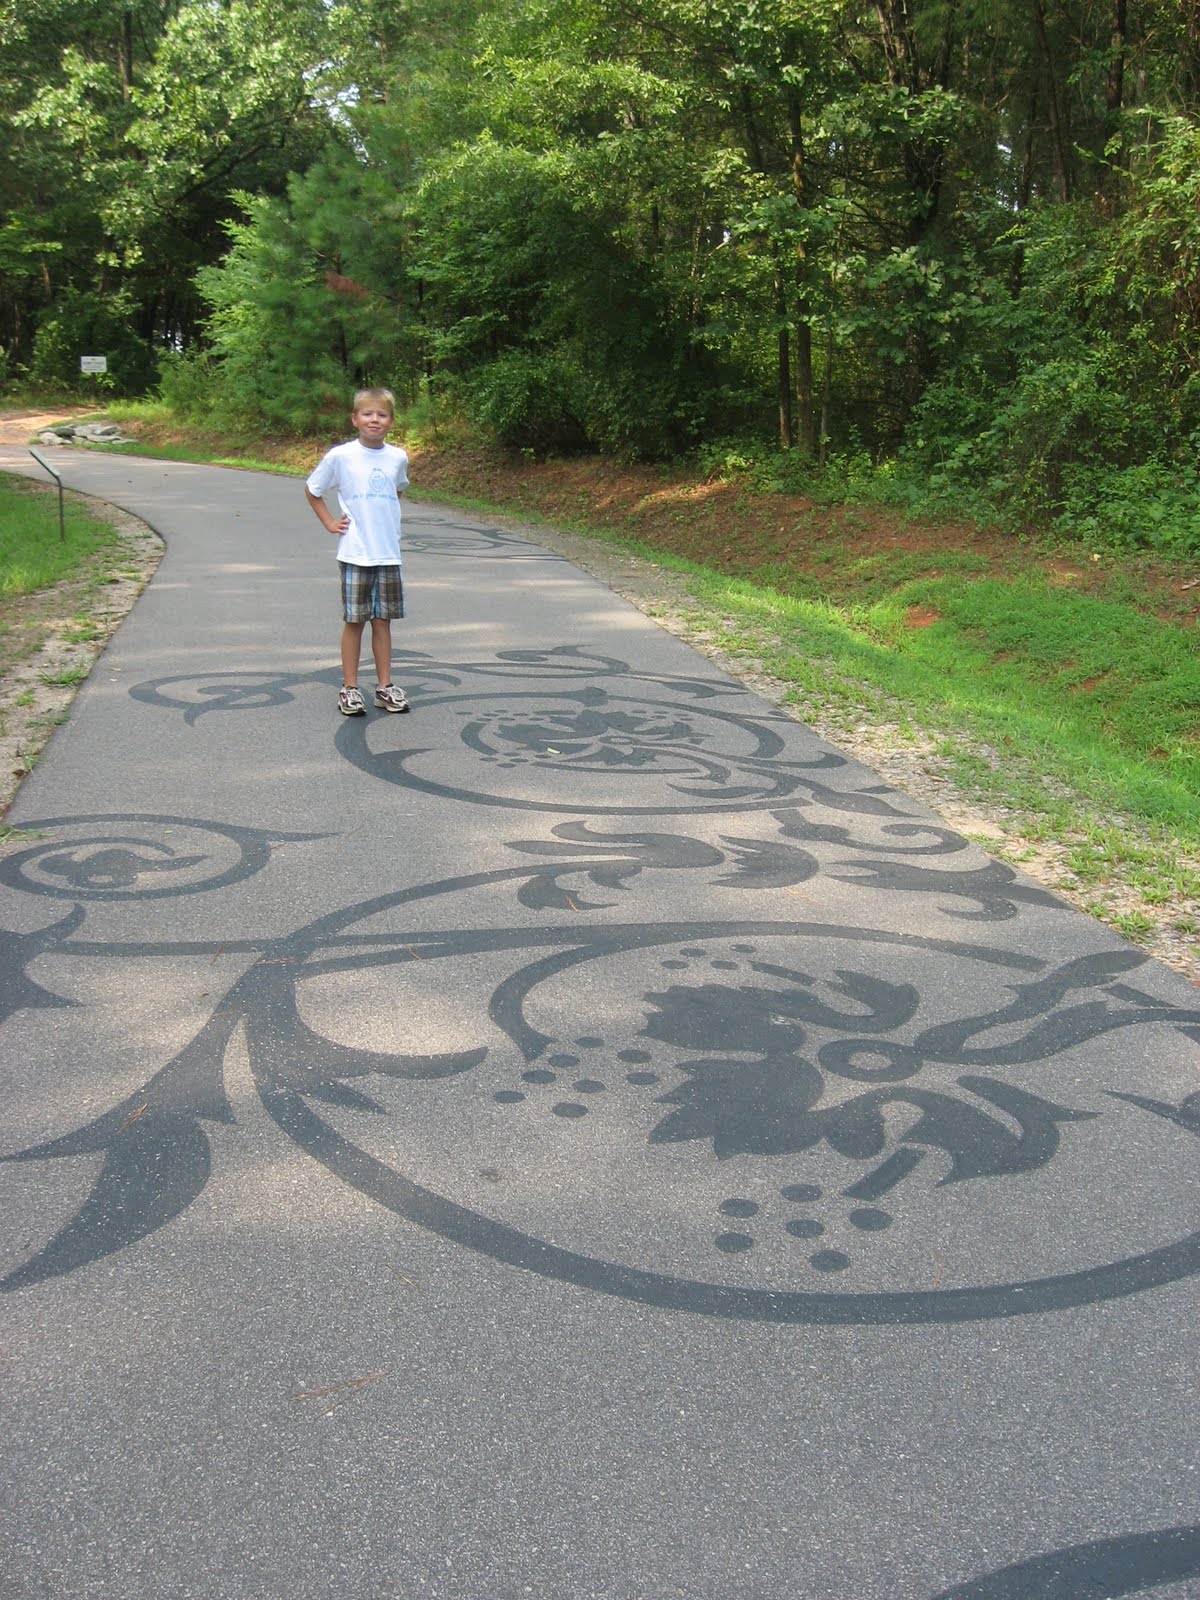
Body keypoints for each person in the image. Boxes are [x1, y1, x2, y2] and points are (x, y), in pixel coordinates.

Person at [304, 387, 411, 716]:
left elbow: (396, 490)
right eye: (367, 414)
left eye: (381, 414)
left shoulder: (397, 457)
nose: (374, 419)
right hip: (355, 553)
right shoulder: (341, 456)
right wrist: (329, 523)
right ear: (355, 419)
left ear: (391, 421)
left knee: (383, 621)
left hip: (387, 554)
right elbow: (313, 489)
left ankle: (384, 686)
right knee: (355, 621)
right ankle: (350, 687)